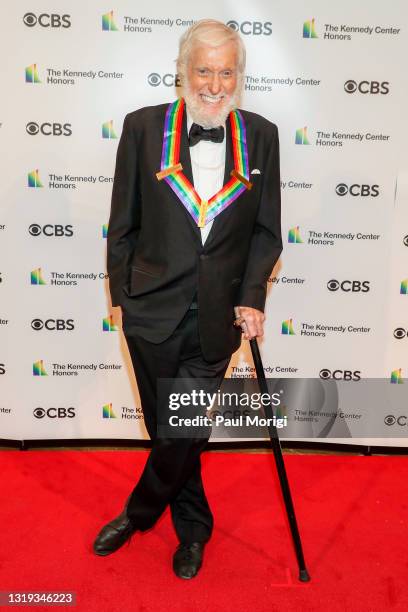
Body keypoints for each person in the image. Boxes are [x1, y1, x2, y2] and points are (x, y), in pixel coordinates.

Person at [93, 18, 282, 579]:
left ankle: (138, 513)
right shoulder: (142, 128)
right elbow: (121, 222)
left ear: (240, 77)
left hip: (218, 314)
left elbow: (267, 231)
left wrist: (253, 296)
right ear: (182, 71)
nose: (216, 84)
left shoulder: (263, 135)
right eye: (204, 69)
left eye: (228, 72)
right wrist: (122, 293)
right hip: (149, 309)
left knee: (184, 426)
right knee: (170, 428)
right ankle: (195, 525)